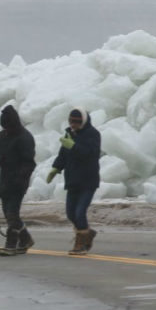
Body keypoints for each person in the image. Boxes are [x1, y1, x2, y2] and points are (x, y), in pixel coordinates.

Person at [47, 107, 101, 255]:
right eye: (71, 121)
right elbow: (63, 154)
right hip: (73, 180)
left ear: (83, 121)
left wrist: (73, 146)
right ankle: (87, 233)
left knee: (80, 212)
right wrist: (56, 168)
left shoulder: (93, 134)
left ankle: (81, 243)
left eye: (77, 122)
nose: (73, 124)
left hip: (88, 180)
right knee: (70, 213)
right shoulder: (69, 134)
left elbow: (91, 154)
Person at [0, 104, 36, 257]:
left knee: (12, 213)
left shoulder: (25, 138)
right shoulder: (1, 136)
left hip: (19, 181)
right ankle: (25, 239)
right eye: (4, 127)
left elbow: (29, 163)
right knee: (7, 213)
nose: (6, 129)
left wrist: (20, 178)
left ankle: (11, 244)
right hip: (5, 180)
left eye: (8, 126)